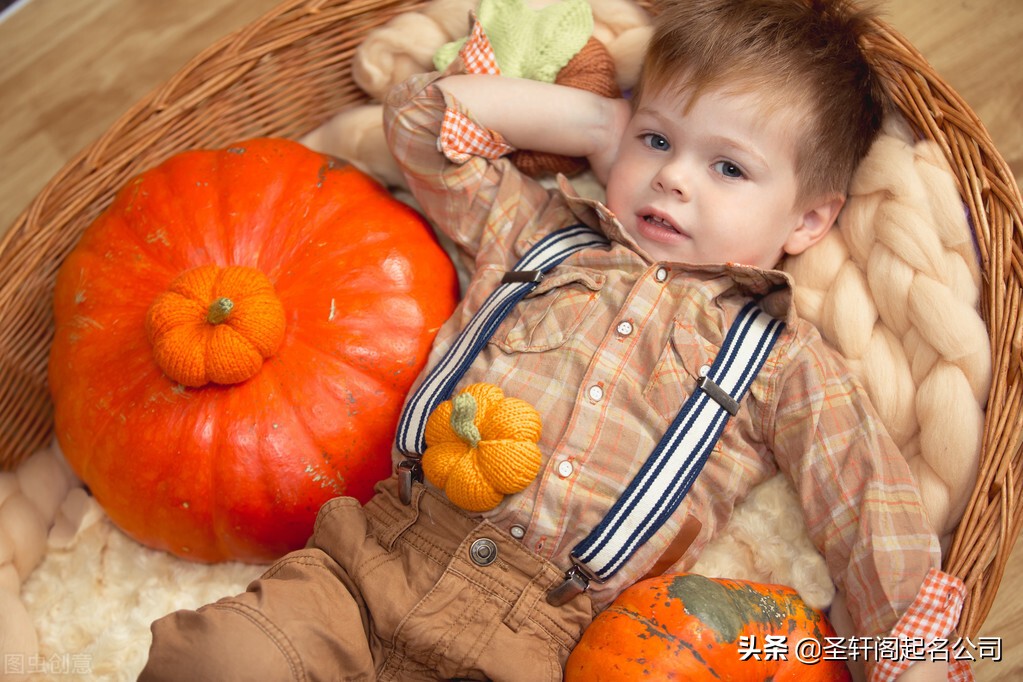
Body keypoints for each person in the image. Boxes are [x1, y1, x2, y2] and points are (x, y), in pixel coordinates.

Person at [141, 1, 972, 680]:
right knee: (223, 659)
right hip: (372, 560)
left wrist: (913, 659)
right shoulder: (536, 235)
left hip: (537, 637)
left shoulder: (786, 365)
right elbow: (423, 123)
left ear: (809, 219)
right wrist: (600, 125)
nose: (674, 177)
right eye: (658, 142)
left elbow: (869, 510)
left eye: (728, 168)